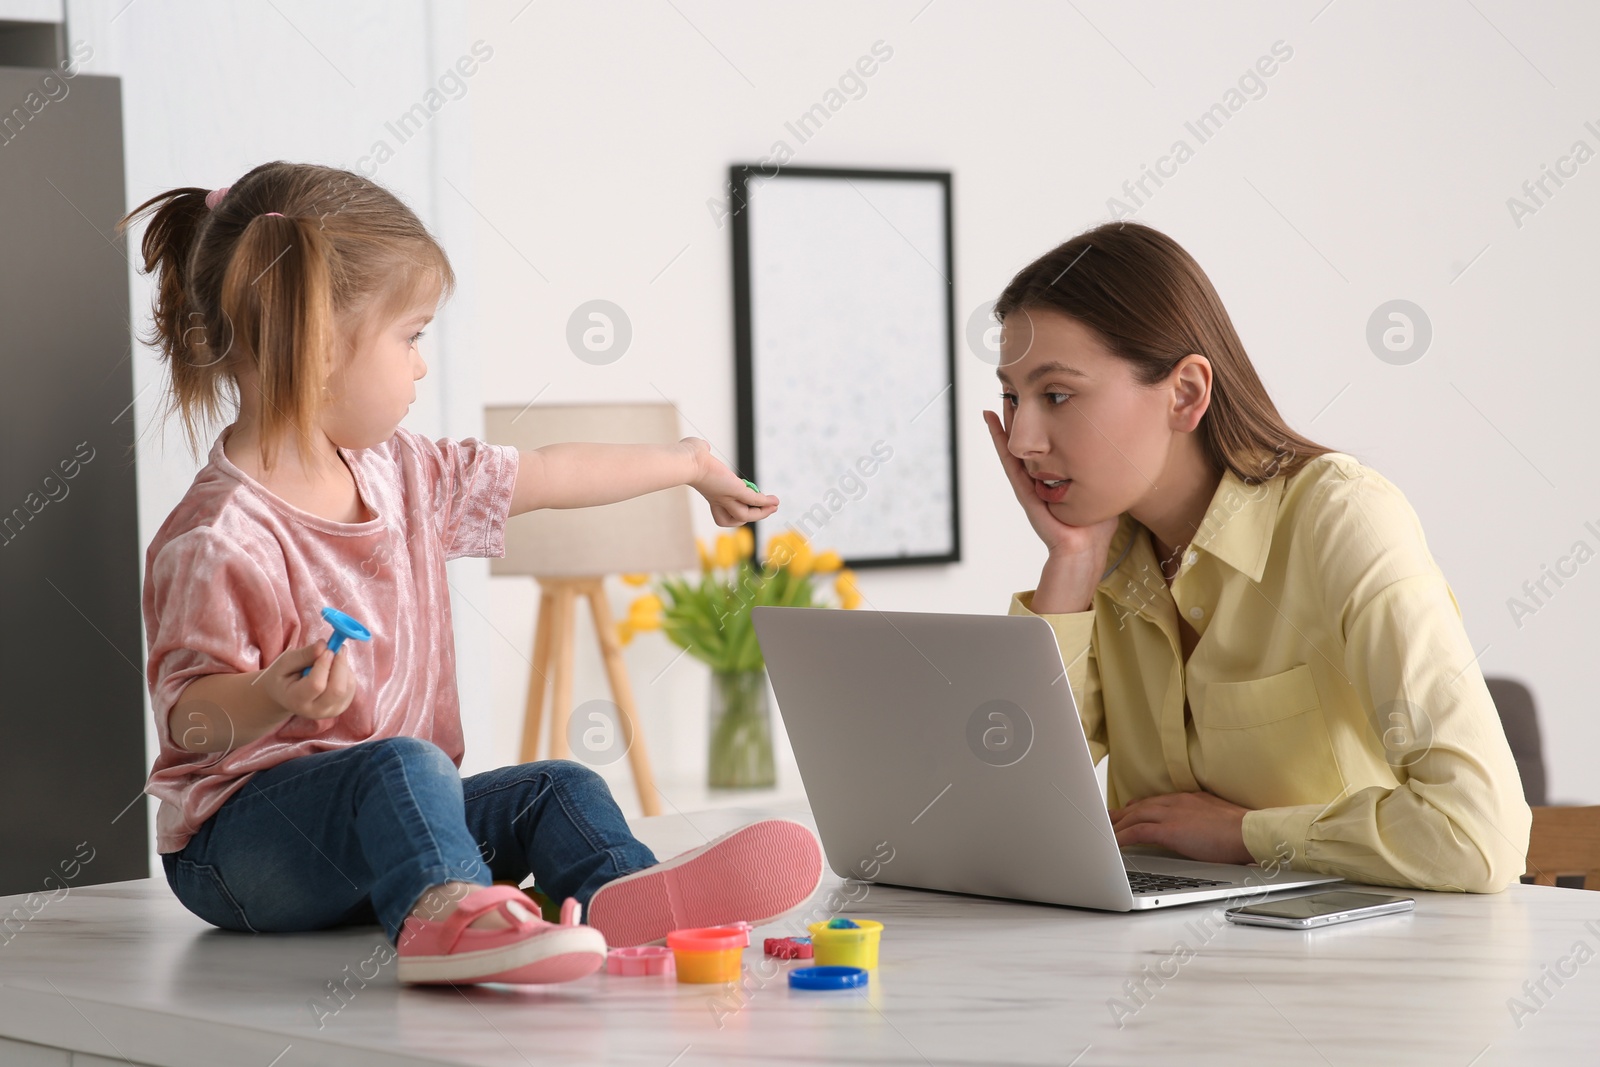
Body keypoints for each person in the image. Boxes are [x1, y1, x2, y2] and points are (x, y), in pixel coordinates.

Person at [124, 161, 823, 986]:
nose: (421, 365)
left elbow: (550, 472)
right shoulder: (219, 535)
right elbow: (189, 720)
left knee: (556, 785)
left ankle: (615, 896)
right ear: (314, 343)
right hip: (238, 858)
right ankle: (447, 920)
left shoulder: (403, 472)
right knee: (405, 764)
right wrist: (273, 693)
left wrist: (685, 463)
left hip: (393, 830)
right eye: (410, 337)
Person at [984, 220, 1530, 894]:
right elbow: (998, 817)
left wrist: (1248, 834)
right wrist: (1066, 565)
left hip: (1357, 970)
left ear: (1185, 393)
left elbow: (1481, 835)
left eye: (1057, 395)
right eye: (1011, 397)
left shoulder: (1340, 520)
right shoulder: (1102, 549)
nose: (1024, 440)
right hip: (1150, 972)